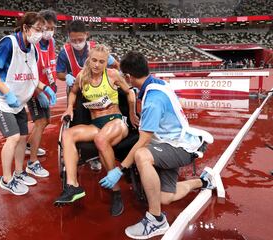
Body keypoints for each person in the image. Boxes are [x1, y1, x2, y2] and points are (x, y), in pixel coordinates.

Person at [99, 51, 216, 238]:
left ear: (128, 77)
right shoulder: (156, 83)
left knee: (141, 154)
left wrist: (120, 169)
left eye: (124, 75)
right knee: (163, 197)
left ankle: (156, 219)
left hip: (178, 147)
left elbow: (144, 140)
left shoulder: (153, 100)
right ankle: (204, 181)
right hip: (173, 141)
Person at [0, 12, 57, 196]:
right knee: (13, 137)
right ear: (25, 28)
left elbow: (31, 76)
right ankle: (6, 180)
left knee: (22, 137)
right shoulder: (9, 43)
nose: (41, 33)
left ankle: (20, 172)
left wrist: (45, 88)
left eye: (43, 30)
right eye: (38, 29)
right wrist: (7, 93)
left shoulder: (33, 48)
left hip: (17, 98)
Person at [54, 45, 139, 216]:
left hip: (116, 122)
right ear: (88, 59)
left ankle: (116, 192)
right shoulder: (82, 76)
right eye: (94, 60)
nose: (97, 65)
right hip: (95, 124)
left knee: (101, 140)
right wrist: (70, 108)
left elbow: (130, 93)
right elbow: (73, 92)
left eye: (101, 61)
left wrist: (132, 114)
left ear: (106, 61)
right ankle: (73, 186)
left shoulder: (113, 75)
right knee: (67, 134)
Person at [56, 20, 120, 171]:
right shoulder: (64, 52)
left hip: (99, 90)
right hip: (77, 90)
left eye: (80, 39)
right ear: (68, 38)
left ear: (87, 35)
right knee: (79, 120)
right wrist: (66, 77)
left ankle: (96, 155)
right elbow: (59, 73)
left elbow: (115, 65)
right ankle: (84, 153)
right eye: (73, 40)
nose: (77, 43)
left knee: (99, 117)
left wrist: (112, 73)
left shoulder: (96, 50)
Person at [25, 10, 58, 178]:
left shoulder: (50, 42)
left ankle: (29, 146)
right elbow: (29, 72)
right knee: (40, 122)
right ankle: (32, 163)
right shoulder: (33, 43)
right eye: (46, 27)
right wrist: (38, 92)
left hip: (44, 86)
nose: (49, 31)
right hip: (32, 88)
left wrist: (52, 85)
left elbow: (50, 66)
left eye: (52, 28)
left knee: (46, 122)